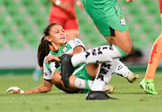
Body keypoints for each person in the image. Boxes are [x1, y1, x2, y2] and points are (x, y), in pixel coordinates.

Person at [7, 23, 137, 94]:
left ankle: (127, 73)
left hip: (86, 71)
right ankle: (97, 87)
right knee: (56, 75)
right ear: (49, 38)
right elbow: (47, 87)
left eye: (63, 31)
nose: (62, 33)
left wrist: (58, 60)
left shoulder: (74, 42)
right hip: (71, 83)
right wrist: (23, 92)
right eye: (57, 32)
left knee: (96, 53)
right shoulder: (47, 60)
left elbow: (79, 57)